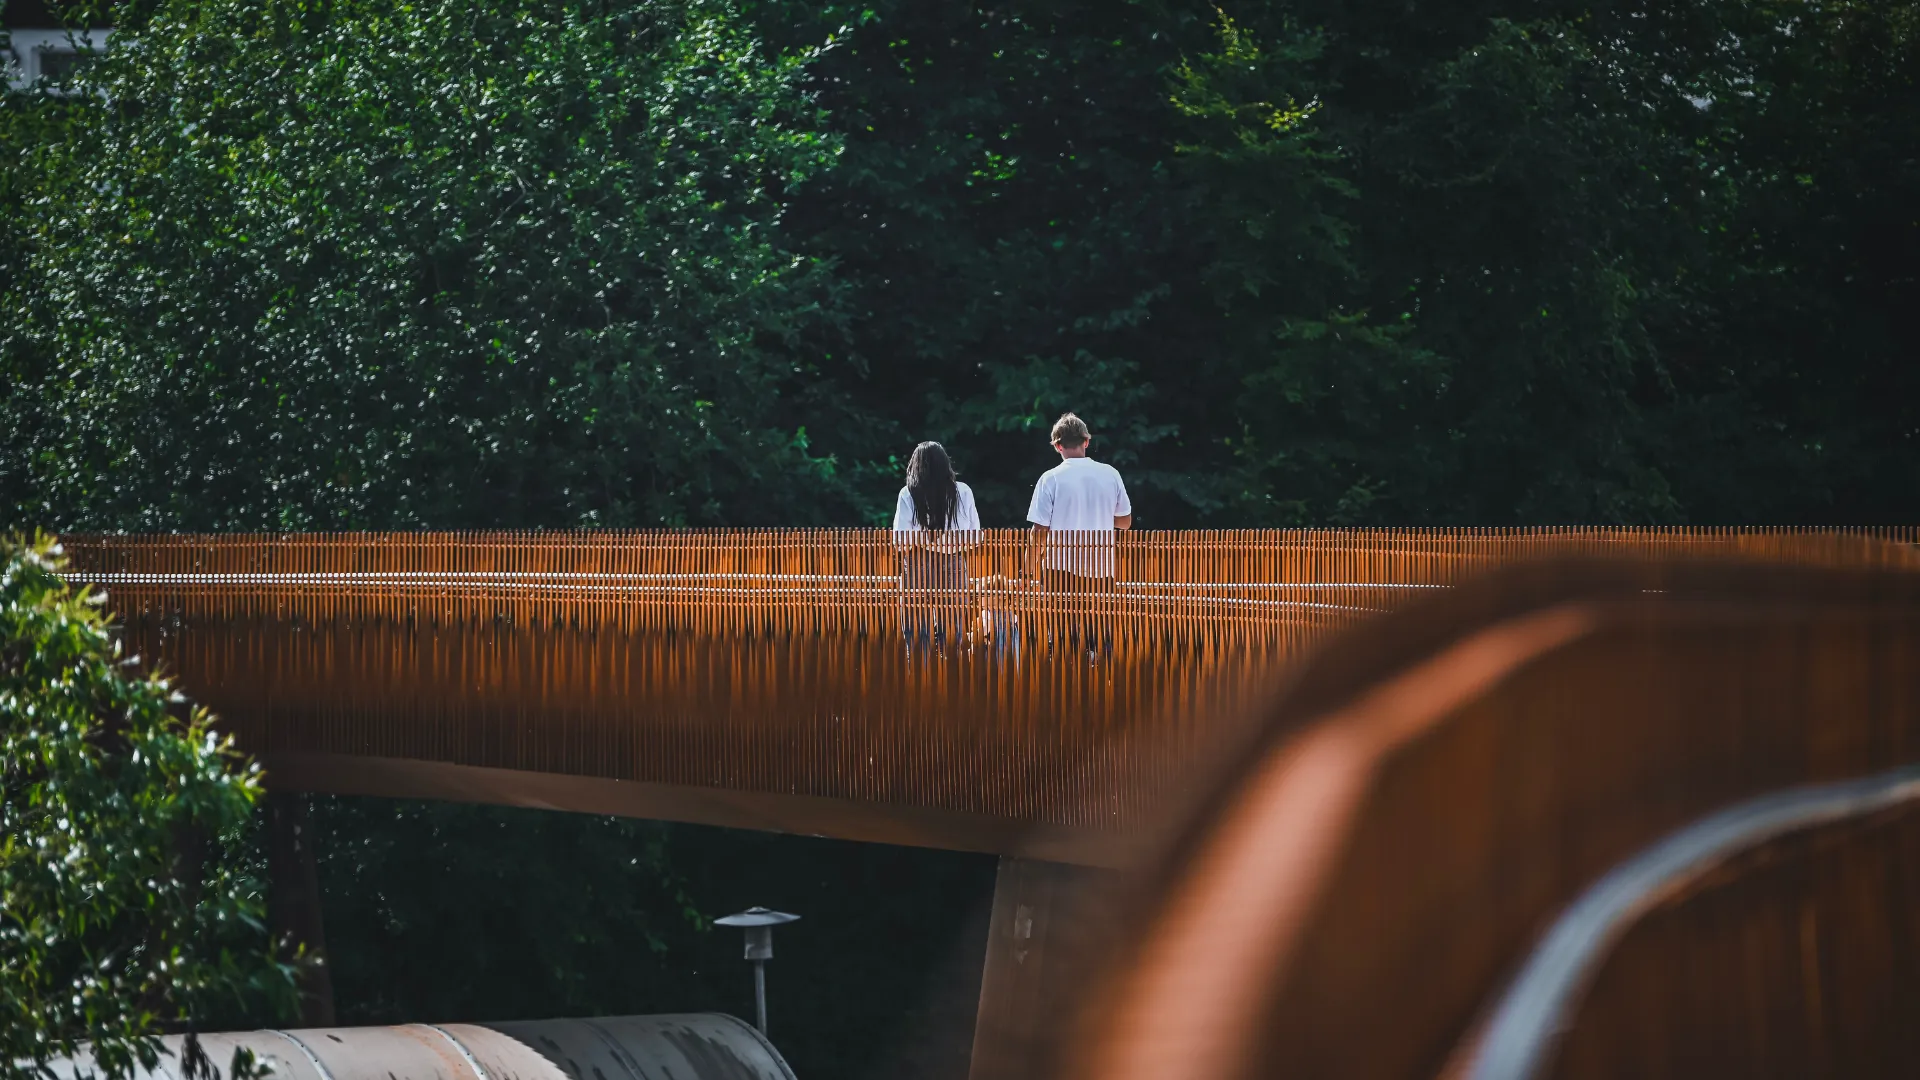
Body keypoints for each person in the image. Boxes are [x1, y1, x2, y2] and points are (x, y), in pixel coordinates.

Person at [1026, 412, 1132, 593]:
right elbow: (1125, 522)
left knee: (1060, 622)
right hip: (1102, 569)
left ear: (1058, 446)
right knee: (1098, 621)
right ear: (1086, 441)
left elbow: (1040, 531)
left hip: (1060, 569)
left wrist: (1027, 571)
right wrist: (1099, 515)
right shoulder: (1111, 474)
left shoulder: (1050, 478)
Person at [892, 441, 981, 648]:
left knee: (915, 624)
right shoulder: (963, 491)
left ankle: (916, 670)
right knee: (953, 623)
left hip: (918, 560)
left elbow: (901, 541)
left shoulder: (908, 493)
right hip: (954, 559)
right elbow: (975, 536)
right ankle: (951, 670)